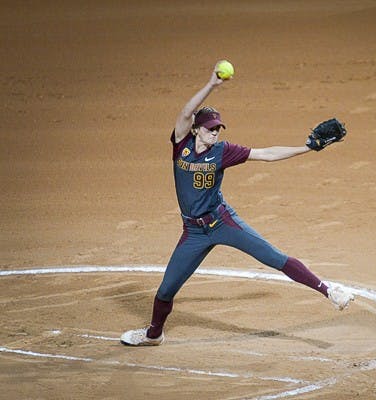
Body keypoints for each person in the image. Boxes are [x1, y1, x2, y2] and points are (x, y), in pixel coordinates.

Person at [120, 62, 354, 346]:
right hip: (193, 232)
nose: (214, 132)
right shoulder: (180, 143)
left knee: (273, 257)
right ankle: (153, 335)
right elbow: (184, 113)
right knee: (167, 289)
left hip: (222, 222)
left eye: (217, 128)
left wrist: (305, 148)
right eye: (209, 128)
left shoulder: (223, 151)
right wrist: (212, 85)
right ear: (195, 130)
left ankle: (329, 291)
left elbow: (266, 154)